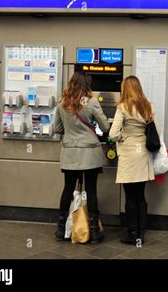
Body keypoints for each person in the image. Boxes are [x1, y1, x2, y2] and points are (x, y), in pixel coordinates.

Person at [53, 71, 110, 243]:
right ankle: (93, 232)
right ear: (87, 84)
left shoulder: (62, 102)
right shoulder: (91, 102)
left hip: (70, 152)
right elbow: (105, 127)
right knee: (91, 190)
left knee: (68, 189)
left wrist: (71, 132)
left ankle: (61, 230)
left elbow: (57, 128)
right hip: (90, 153)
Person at [109, 76, 155, 245]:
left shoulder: (123, 107)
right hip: (142, 152)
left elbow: (113, 134)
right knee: (140, 196)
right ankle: (141, 234)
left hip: (128, 154)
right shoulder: (147, 106)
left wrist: (124, 137)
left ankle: (131, 233)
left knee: (130, 196)